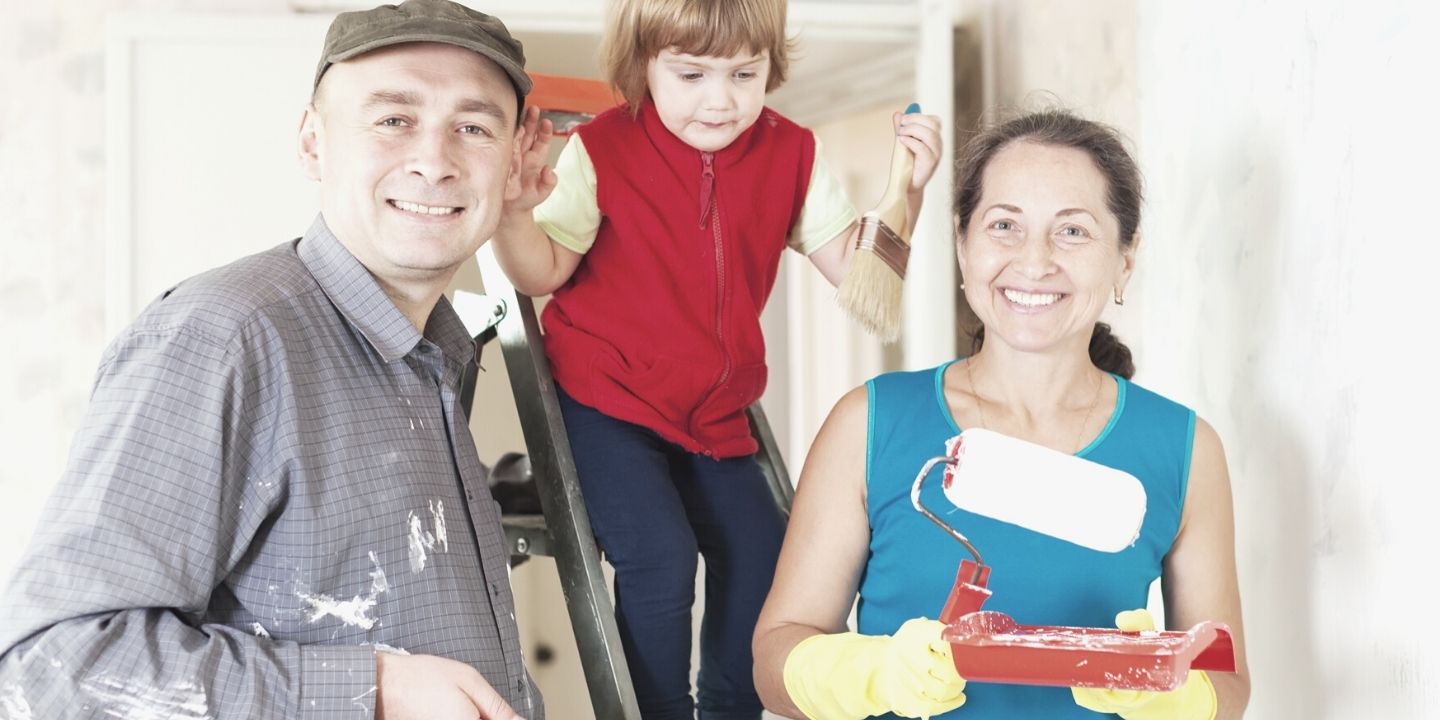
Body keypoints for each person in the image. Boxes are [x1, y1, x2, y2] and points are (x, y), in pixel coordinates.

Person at [0, 2, 545, 718]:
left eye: (473, 128)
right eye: (392, 120)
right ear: (313, 143)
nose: (434, 161)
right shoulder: (224, 337)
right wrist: (373, 690)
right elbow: (51, 665)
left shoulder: (436, 355)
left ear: (510, 166)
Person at [487, 0, 943, 717]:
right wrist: (515, 213)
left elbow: (859, 277)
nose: (720, 99)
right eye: (691, 73)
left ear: (771, 68)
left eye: (744, 73)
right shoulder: (603, 149)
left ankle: (730, 711)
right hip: (606, 395)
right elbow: (541, 272)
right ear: (645, 65)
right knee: (661, 558)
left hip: (712, 409)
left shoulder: (792, 153)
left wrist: (904, 195)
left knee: (766, 558)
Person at [753, 109, 1251, 719]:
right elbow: (775, 658)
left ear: (1125, 259)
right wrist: (872, 676)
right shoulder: (870, 423)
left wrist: (1169, 696)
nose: (1035, 261)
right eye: (1004, 225)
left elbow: (1227, 683)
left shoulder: (1183, 449)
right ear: (963, 244)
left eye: (1073, 231)